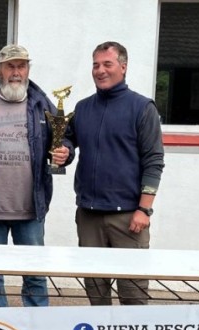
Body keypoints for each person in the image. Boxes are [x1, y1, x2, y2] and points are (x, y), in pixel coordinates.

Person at [0, 44, 72, 307]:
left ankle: (35, 326)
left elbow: (64, 139)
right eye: (10, 66)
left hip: (31, 207)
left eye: (21, 66)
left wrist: (65, 151)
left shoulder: (43, 104)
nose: (16, 72)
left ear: (28, 70)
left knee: (34, 274)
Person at [64, 41, 165, 306]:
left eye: (107, 64)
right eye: (95, 65)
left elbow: (154, 161)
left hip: (129, 218)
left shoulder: (143, 108)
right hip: (89, 217)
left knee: (133, 295)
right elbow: (68, 141)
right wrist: (64, 151)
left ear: (123, 66)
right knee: (96, 295)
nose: (100, 70)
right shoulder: (83, 109)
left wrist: (145, 209)